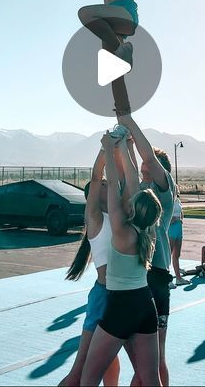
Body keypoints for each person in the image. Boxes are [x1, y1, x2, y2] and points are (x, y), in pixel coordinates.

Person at [80, 131, 163, 387]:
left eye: (107, 184)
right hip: (144, 302)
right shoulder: (145, 229)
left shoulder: (120, 226)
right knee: (150, 379)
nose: (107, 184)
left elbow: (118, 180)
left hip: (118, 303)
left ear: (132, 207)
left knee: (86, 378)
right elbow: (131, 181)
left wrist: (107, 148)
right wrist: (125, 147)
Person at [116, 114, 175, 387]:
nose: (143, 167)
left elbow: (148, 158)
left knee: (152, 361)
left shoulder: (163, 192)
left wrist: (128, 120)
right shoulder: (141, 191)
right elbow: (129, 170)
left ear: (161, 170)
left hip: (156, 277)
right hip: (140, 277)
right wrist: (125, 142)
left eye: (147, 166)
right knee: (144, 364)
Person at [58, 148, 120, 387]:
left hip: (122, 296)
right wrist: (106, 151)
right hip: (104, 296)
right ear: (94, 195)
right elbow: (97, 177)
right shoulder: (95, 218)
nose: (107, 184)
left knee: (111, 357)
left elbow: (120, 181)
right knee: (80, 369)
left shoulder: (115, 215)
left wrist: (123, 150)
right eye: (104, 184)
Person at [168, 185, 189, 286]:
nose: (175, 190)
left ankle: (178, 278)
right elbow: (165, 215)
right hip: (171, 229)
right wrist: (173, 220)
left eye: (176, 188)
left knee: (177, 254)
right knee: (169, 255)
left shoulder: (178, 200)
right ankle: (167, 280)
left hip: (179, 228)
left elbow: (181, 212)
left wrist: (180, 219)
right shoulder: (168, 200)